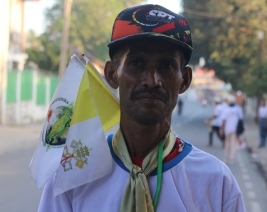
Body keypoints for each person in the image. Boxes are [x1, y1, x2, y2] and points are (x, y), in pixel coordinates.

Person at [37, 4, 246, 212]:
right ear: (112, 74)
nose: (152, 80)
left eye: (166, 66)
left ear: (185, 80)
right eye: (136, 63)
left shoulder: (216, 182)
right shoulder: (72, 174)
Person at [220, 95, 243, 165]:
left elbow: (223, 120)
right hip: (234, 129)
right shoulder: (238, 109)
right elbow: (241, 119)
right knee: (233, 144)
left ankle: (226, 158)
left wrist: (221, 129)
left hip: (228, 129)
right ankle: (232, 158)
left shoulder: (226, 109)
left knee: (227, 144)